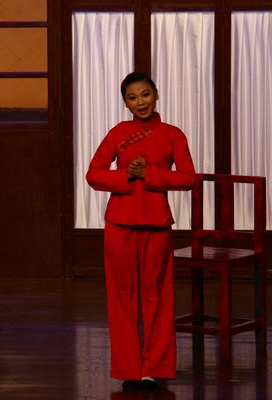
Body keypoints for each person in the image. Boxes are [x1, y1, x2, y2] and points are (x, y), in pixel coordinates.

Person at [86, 71, 196, 391]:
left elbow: (188, 178)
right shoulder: (118, 132)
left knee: (157, 297)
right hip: (119, 224)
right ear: (125, 103)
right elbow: (94, 174)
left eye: (145, 94)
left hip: (157, 224)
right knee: (121, 298)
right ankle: (129, 369)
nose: (140, 102)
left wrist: (150, 173)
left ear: (156, 94)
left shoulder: (173, 134)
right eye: (132, 98)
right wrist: (125, 176)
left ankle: (154, 368)